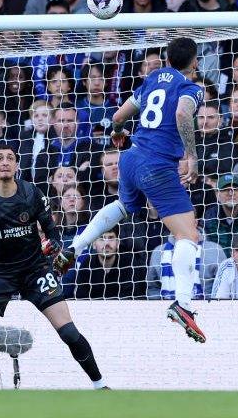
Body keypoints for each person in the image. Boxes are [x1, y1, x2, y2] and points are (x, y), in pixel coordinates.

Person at [57, 37, 209, 343]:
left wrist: (117, 134)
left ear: (167, 59)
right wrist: (191, 155)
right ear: (194, 62)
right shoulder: (192, 88)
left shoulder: (152, 79)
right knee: (188, 236)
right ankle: (184, 303)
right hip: (157, 165)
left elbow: (116, 118)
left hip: (130, 158)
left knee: (125, 206)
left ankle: (76, 247)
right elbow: (181, 114)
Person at [0, 145, 106, 390]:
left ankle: (101, 385)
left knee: (68, 332)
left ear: (16, 166)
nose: (5, 162)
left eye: (10, 158)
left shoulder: (32, 193)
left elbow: (53, 234)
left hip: (35, 271)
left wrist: (53, 247)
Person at [73, 228, 145, 299]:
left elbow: (134, 297)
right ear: (94, 244)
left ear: (118, 243)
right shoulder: (87, 266)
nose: (106, 243)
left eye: (111, 238)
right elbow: (81, 299)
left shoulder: (130, 262)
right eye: (102, 238)